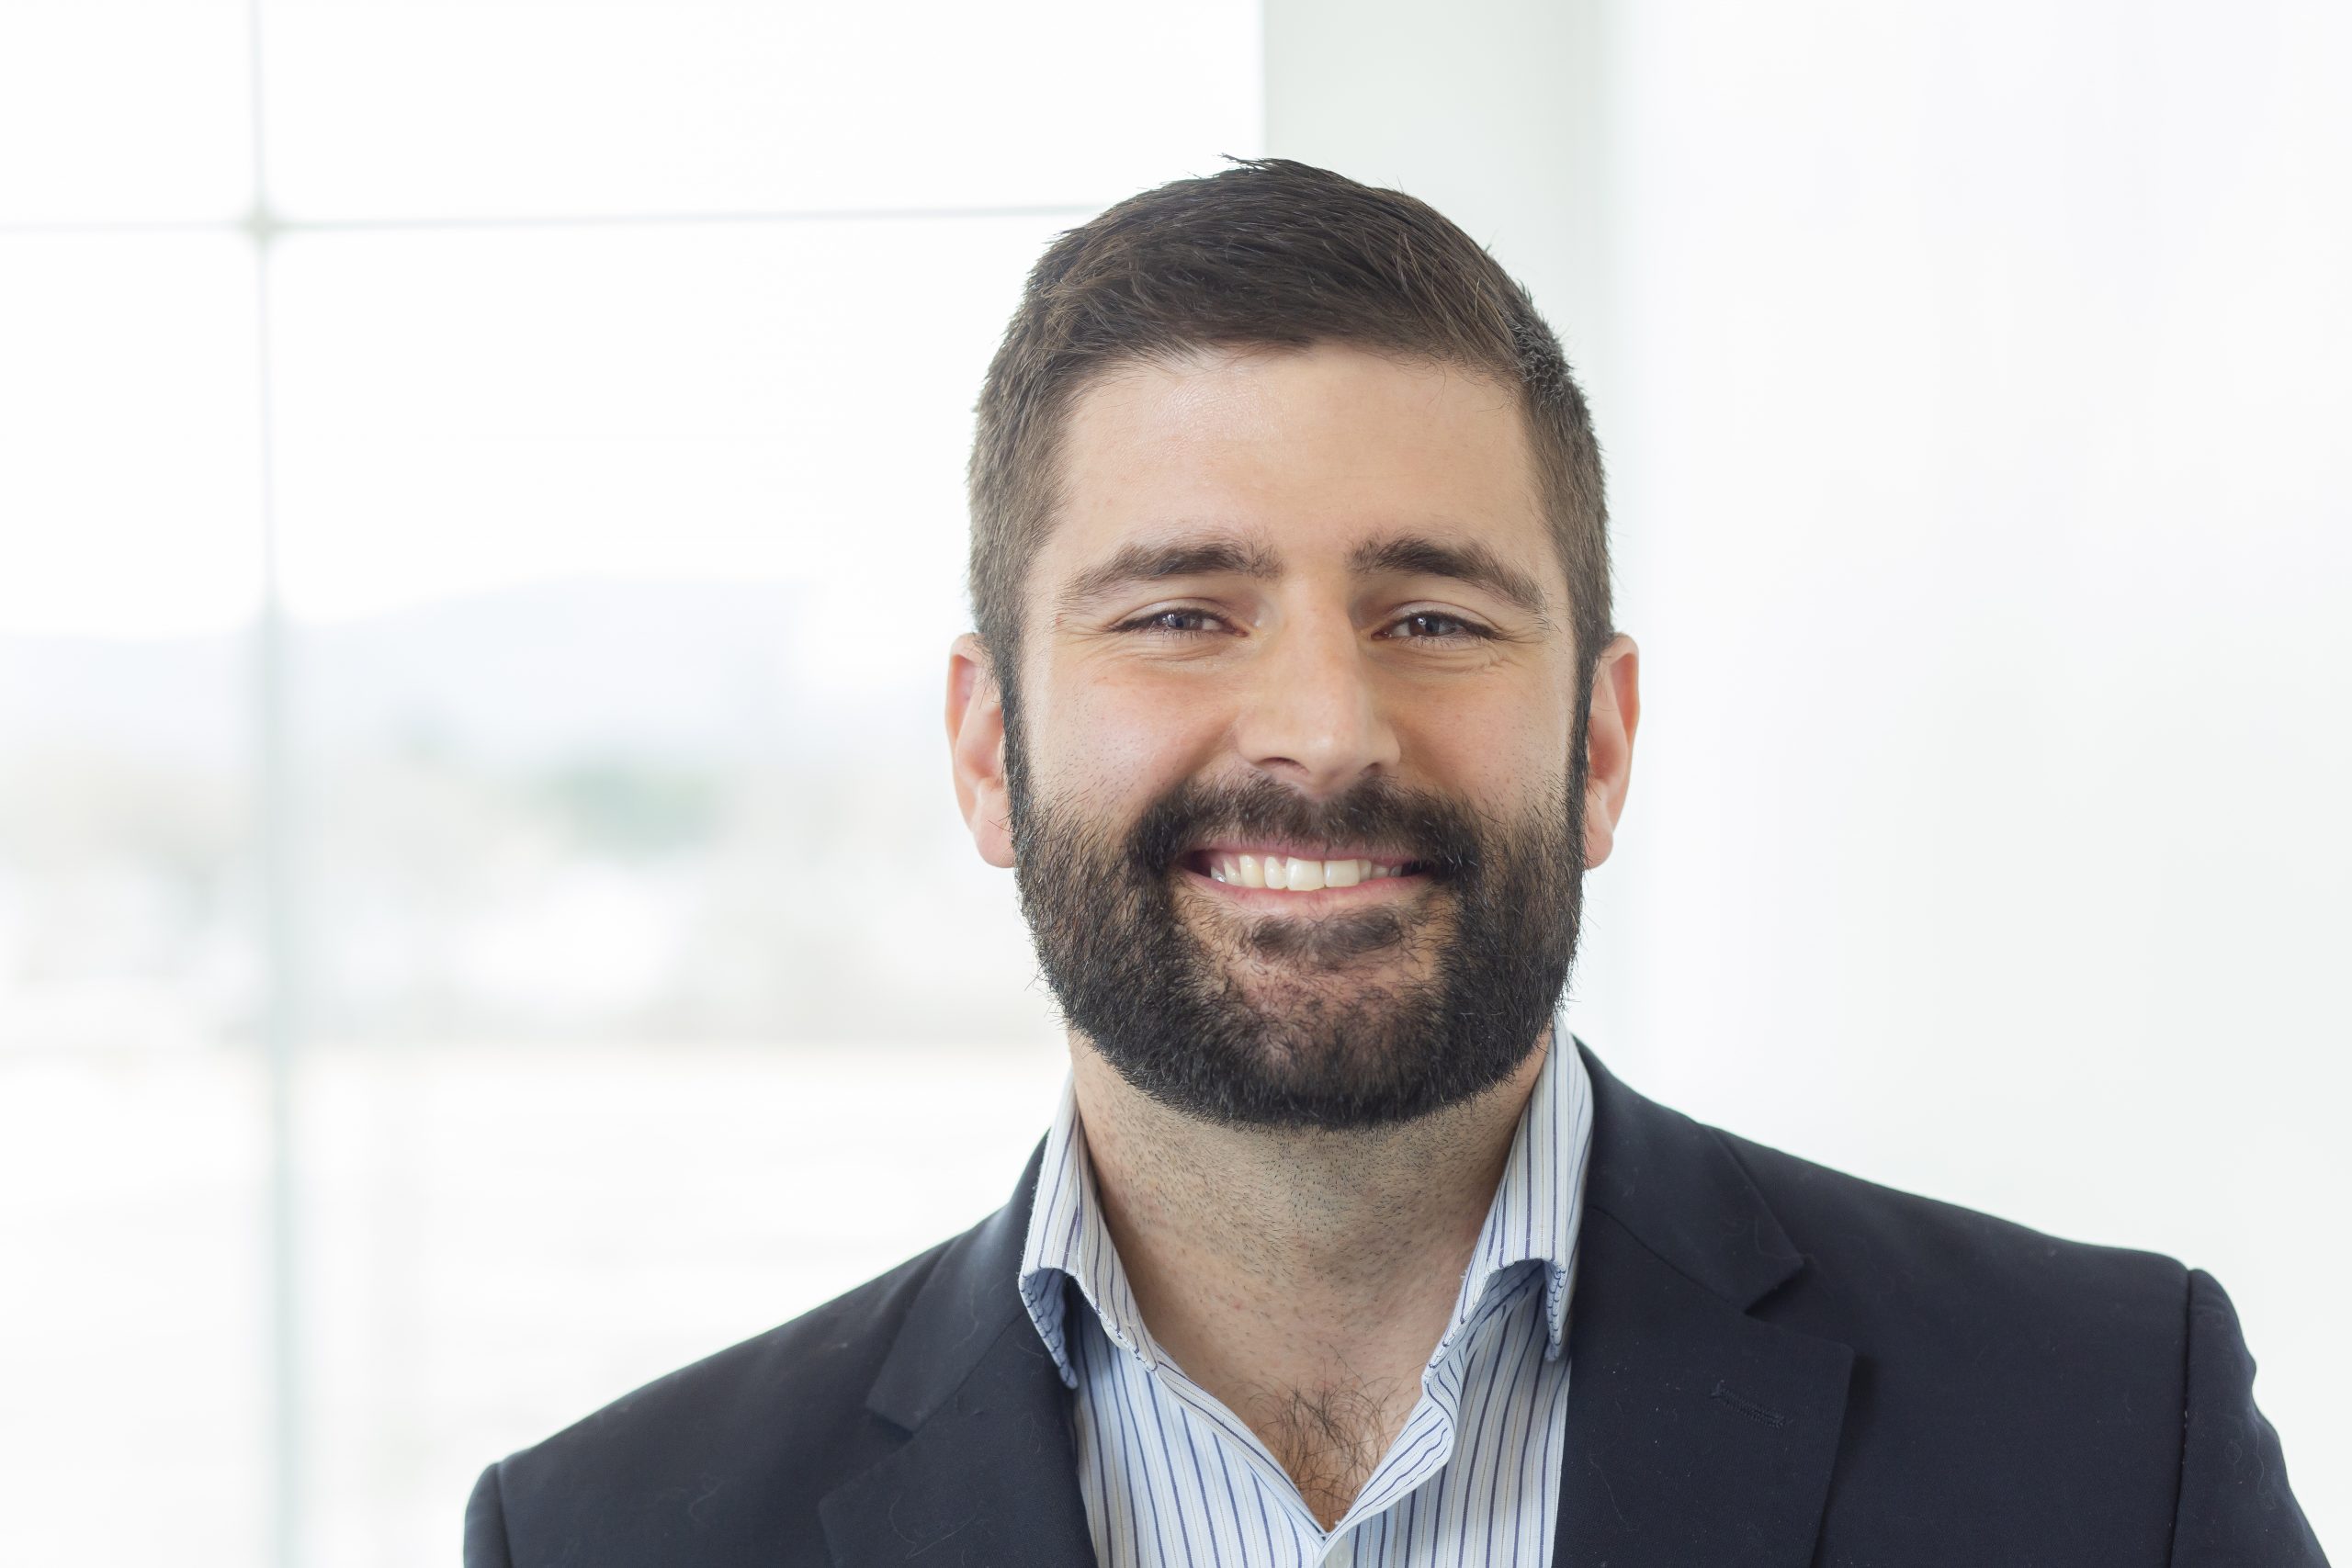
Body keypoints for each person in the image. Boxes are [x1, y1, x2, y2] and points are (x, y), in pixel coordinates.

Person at [463, 160, 2324, 1567]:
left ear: (1596, 741)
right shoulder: (612, 1534)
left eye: (1429, 617)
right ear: (984, 745)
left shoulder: (2103, 1432)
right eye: (1182, 611)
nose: (1324, 729)